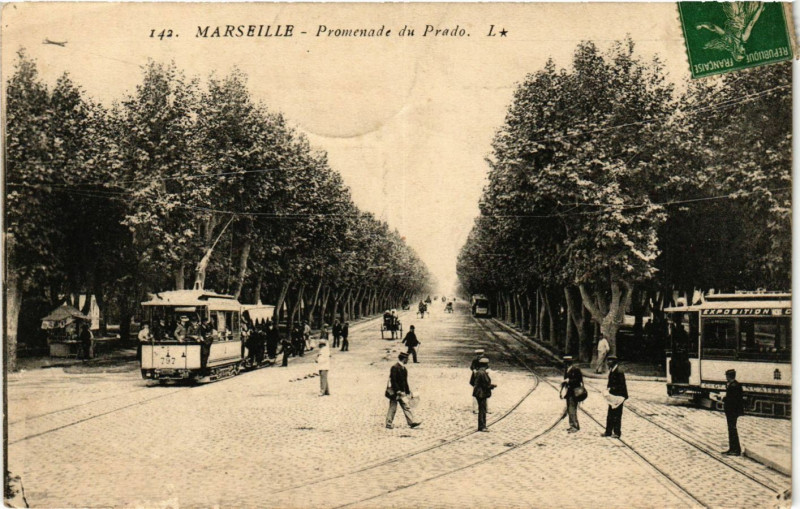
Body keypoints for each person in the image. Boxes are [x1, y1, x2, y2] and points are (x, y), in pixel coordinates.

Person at [386, 352, 421, 429]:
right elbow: (393, 380)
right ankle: (388, 424)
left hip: (402, 393)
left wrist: (408, 391)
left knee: (406, 406)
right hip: (395, 393)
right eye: (407, 359)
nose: (408, 360)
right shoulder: (394, 367)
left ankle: (411, 422)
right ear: (404, 359)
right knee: (393, 408)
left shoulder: (404, 368)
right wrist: (397, 390)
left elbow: (405, 381)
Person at [602, 356, 628, 438]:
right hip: (612, 396)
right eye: (608, 360)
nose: (608, 362)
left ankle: (617, 432)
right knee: (610, 414)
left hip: (619, 397)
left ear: (614, 362)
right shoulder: (612, 370)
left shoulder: (619, 371)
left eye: (610, 361)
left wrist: (611, 389)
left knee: (617, 415)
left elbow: (621, 385)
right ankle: (608, 431)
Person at [721, 369, 744, 456]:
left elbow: (732, 400)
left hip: (732, 411)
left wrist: (723, 398)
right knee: (732, 429)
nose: (726, 378)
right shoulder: (735, 384)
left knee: (732, 429)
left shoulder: (733, 386)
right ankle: (732, 449)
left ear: (729, 376)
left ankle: (735, 450)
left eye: (726, 376)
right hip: (733, 411)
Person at [471, 357, 496, 432]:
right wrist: (492, 386)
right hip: (481, 393)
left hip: (478, 392)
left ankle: (482, 426)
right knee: (482, 410)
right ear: (486, 365)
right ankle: (482, 426)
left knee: (482, 409)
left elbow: (472, 382)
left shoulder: (478, 372)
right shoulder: (483, 373)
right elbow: (485, 385)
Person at [561, 356, 584, 433]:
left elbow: (579, 380)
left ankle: (574, 426)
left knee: (572, 409)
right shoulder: (567, 370)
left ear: (568, 363)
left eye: (565, 362)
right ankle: (573, 425)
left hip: (574, 392)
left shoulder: (575, 369)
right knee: (570, 408)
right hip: (569, 392)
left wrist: (569, 381)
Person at [470, 349, 485, 413]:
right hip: (480, 379)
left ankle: (476, 409)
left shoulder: (475, 360)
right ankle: (477, 409)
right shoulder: (484, 360)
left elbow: (472, 368)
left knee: (476, 393)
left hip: (477, 378)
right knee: (480, 393)